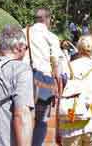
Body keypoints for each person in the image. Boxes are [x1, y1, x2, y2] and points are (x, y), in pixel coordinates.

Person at [56, 35, 92, 146]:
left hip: (70, 125)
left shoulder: (66, 68)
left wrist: (57, 129)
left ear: (78, 48)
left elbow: (60, 99)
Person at [24, 8, 63, 146]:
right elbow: (56, 65)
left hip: (24, 82)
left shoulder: (24, 32)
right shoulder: (51, 37)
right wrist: (58, 86)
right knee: (41, 121)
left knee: (23, 118)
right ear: (48, 19)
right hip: (44, 83)